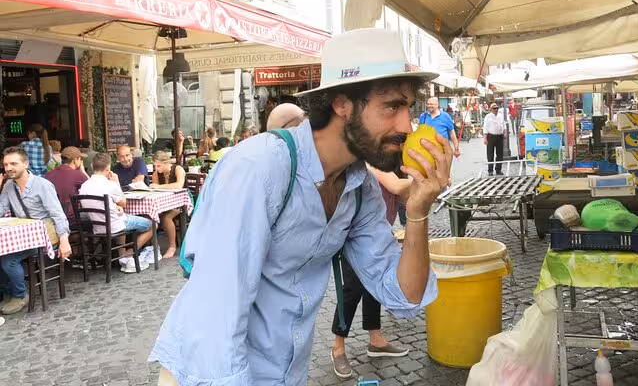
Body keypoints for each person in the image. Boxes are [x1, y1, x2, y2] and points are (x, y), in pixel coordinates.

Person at [149, 28, 450, 385]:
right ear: (341, 103)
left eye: (409, 107)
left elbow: (404, 296)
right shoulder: (260, 168)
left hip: (283, 373)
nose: (406, 124)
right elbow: (218, 317)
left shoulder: (358, 186)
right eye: (392, 106)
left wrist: (417, 212)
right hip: (206, 374)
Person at [330, 166, 412, 377]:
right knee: (352, 290)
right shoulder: (370, 163)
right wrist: (428, 182)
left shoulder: (396, 166)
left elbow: (402, 196)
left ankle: (376, 340)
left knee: (374, 285)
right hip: (356, 236)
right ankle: (337, 347)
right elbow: (396, 185)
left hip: (378, 235)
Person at [0, 147, 71, 314]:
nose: (8, 168)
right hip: (23, 235)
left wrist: (64, 241)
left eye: (13, 163)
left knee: (8, 260)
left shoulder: (43, 185)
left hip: (44, 236)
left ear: (26, 164)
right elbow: (1, 209)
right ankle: (7, 292)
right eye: (5, 164)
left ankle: (20, 294)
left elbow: (58, 214)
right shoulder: (9, 185)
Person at [79, 153, 154, 271]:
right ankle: (128, 255)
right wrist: (116, 182)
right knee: (152, 224)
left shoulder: (84, 186)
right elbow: (123, 203)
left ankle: (122, 255)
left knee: (121, 216)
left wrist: (114, 207)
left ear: (93, 166)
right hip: (115, 225)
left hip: (96, 226)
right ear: (108, 169)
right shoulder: (110, 185)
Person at [150, 151, 186, 258]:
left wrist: (158, 187)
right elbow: (154, 189)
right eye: (155, 166)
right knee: (151, 215)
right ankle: (152, 248)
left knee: (166, 217)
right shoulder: (156, 174)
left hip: (181, 202)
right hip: (165, 203)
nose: (157, 168)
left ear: (166, 163)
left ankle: (172, 247)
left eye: (159, 165)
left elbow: (179, 185)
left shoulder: (177, 169)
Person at [45, 146, 89, 222]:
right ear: (75, 160)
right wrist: (83, 171)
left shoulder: (48, 175)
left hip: (53, 217)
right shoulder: (77, 175)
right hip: (71, 218)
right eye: (80, 159)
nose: (81, 161)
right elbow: (94, 187)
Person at [483, 103, 506, 175]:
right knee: (490, 154)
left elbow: (503, 124)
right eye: (494, 108)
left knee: (500, 154)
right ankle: (490, 170)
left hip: (499, 136)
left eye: (497, 108)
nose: (496, 109)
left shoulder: (500, 116)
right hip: (491, 136)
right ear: (491, 109)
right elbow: (485, 127)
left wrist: (505, 132)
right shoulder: (488, 116)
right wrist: (485, 138)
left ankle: (498, 169)